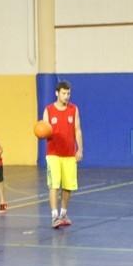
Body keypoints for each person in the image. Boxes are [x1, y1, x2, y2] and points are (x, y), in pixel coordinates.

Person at [42, 81, 83, 228]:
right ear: (57, 93)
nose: (66, 96)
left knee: (68, 186)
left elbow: (77, 129)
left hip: (69, 154)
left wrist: (80, 149)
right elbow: (44, 129)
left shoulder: (74, 109)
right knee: (54, 184)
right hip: (53, 154)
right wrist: (41, 132)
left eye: (68, 93)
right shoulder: (48, 110)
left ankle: (63, 214)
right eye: (64, 93)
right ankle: (54, 216)